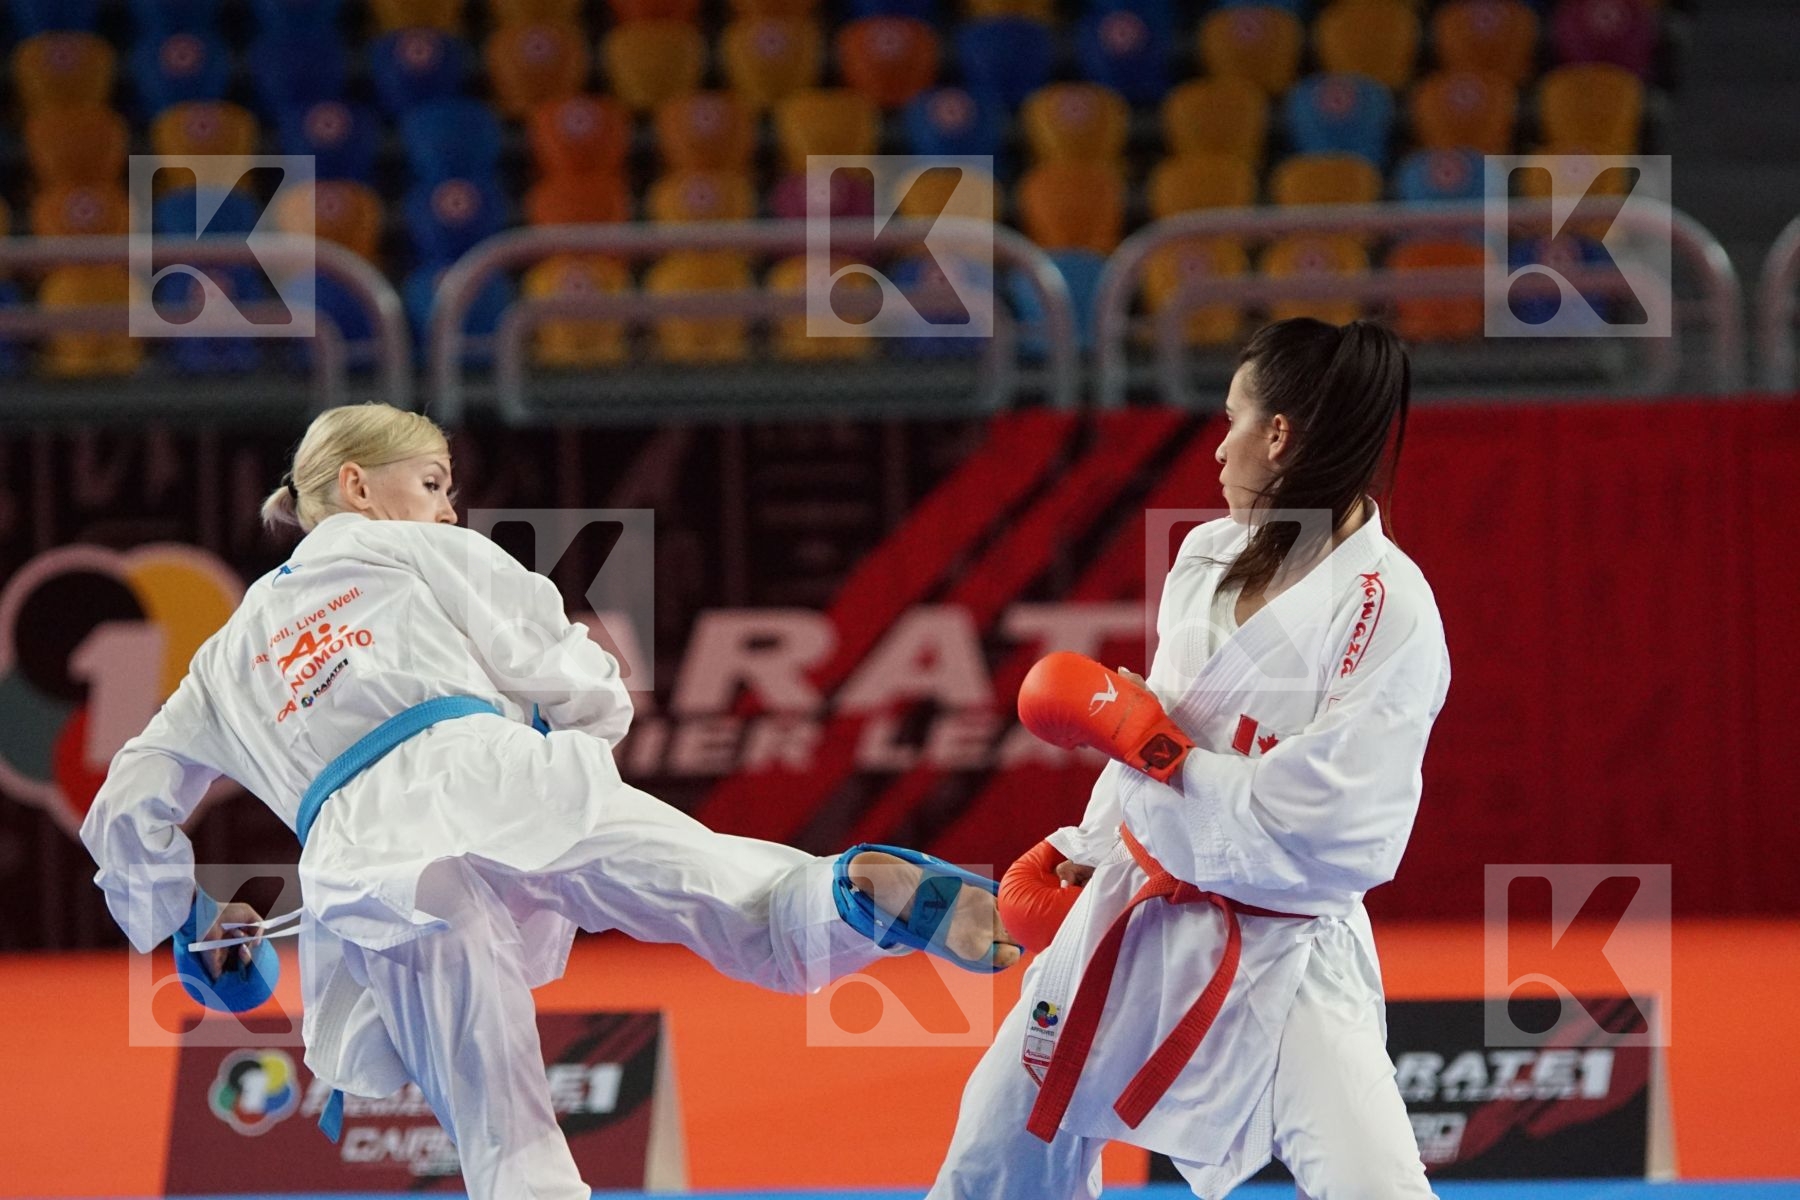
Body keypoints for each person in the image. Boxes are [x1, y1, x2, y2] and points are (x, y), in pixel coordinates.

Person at [79, 402, 1016, 1199]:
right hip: (497, 769)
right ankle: (844, 896)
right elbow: (560, 655)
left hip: (373, 858)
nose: (449, 507)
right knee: (717, 887)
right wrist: (572, 729)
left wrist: (185, 921)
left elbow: (127, 805)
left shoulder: (221, 659)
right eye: (434, 483)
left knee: (500, 1117)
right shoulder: (407, 550)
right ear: (360, 489)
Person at [939, 317, 1452, 1199]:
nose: (1218, 451)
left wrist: (1165, 755)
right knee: (991, 1167)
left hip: (1284, 956)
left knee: (1376, 1187)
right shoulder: (1206, 555)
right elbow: (1148, 738)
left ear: (1279, 435)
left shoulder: (1389, 611)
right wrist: (1092, 841)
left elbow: (1337, 824)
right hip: (1131, 918)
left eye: (1231, 421)